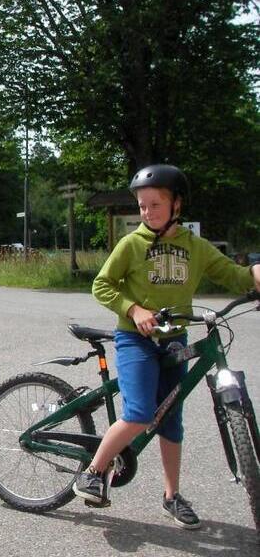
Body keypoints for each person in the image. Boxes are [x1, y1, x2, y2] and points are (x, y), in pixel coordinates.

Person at [73, 164, 260, 529]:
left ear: (176, 204)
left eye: (154, 204)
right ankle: (93, 471)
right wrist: (134, 309)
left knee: (171, 421)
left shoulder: (195, 247)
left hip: (175, 339)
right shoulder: (132, 244)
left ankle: (171, 496)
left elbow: (234, 275)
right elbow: (102, 285)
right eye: (142, 206)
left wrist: (255, 274)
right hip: (136, 339)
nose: (146, 212)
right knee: (141, 413)